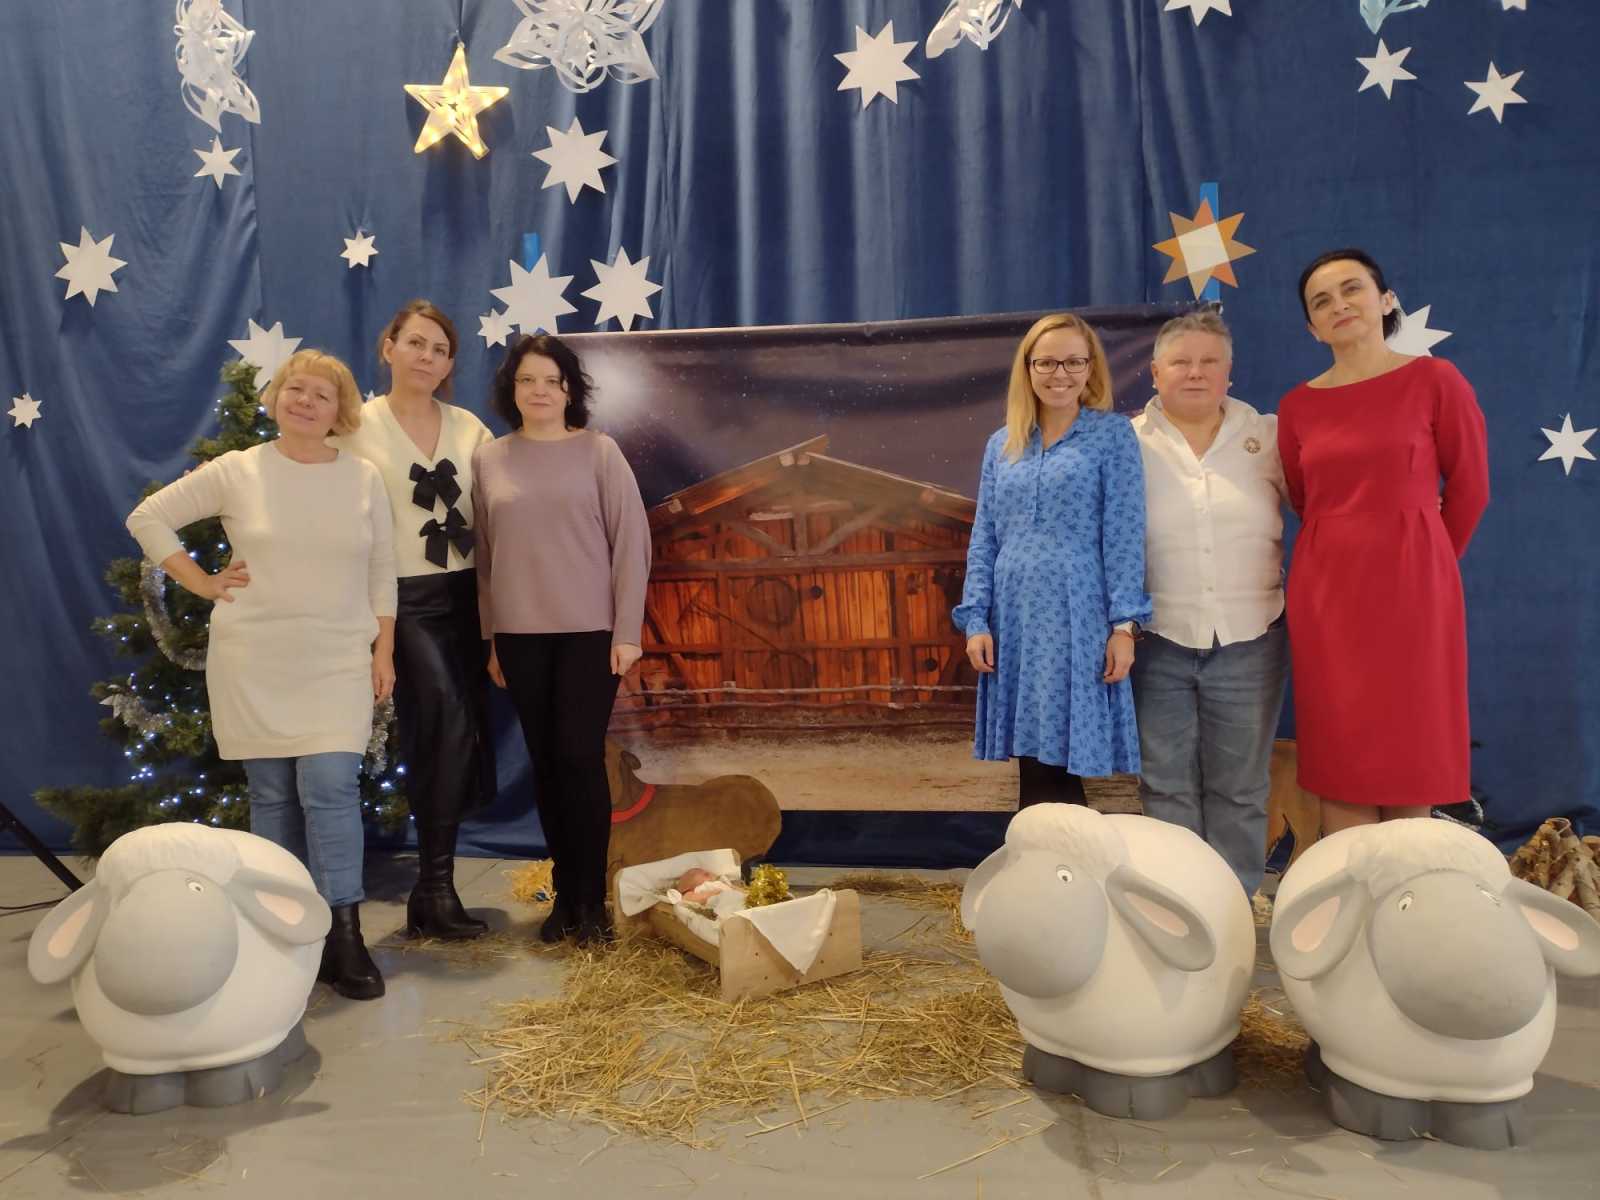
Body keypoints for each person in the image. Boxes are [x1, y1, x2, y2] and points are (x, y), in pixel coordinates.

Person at [127, 350, 395, 1000]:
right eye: (295, 389)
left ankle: (345, 937)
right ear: (276, 397)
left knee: (330, 787)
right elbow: (146, 517)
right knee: (272, 796)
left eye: (321, 395)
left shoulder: (362, 478)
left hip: (337, 658)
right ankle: (288, 937)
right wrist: (201, 582)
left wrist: (383, 650)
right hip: (255, 658)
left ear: (339, 412)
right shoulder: (238, 470)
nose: (306, 401)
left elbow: (382, 571)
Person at [1280, 249, 1489, 836]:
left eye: (1352, 289)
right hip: (1327, 595)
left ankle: (1406, 888)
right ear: (1311, 327)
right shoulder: (1296, 406)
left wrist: (1427, 562)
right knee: (1340, 747)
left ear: (1385, 299)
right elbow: (1304, 498)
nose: (1339, 305)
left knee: (1410, 748)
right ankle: (1348, 889)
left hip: (1415, 587)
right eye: (1322, 301)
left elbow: (1471, 488)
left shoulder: (1435, 380)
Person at [472, 334, 651, 945]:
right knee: (546, 766)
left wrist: (627, 632)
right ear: (512, 389)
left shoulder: (600, 452)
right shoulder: (489, 460)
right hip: (519, 637)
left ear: (570, 389)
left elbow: (632, 544)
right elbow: (486, 561)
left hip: (590, 634)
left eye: (552, 380)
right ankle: (564, 898)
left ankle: (592, 900)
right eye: (527, 380)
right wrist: (492, 640)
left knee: (579, 759)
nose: (540, 390)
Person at [332, 300, 495, 941]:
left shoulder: (469, 429)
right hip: (401, 601)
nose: (426, 357)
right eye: (416, 343)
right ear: (389, 347)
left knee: (458, 734)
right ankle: (435, 888)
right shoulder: (356, 428)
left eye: (439, 349)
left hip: (468, 597)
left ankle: (434, 888)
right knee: (443, 720)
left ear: (450, 364)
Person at [952, 312, 1151, 807]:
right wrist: (976, 620)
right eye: (1046, 362)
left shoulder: (1112, 436)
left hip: (1077, 613)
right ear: (1027, 368)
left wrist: (1124, 626)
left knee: (1064, 757)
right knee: (1032, 758)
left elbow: (1124, 533)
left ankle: (1066, 851)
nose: (1060, 374)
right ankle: (1040, 850)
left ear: (1090, 368)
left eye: (1073, 362)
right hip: (1013, 615)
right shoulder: (1002, 444)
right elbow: (985, 537)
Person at [1130, 311, 1289, 897]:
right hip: (1157, 639)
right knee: (1165, 785)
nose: (1195, 372)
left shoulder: (1269, 437)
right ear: (1155, 372)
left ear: (1229, 371)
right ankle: (1180, 905)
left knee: (1241, 788)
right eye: (1181, 362)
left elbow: (1327, 506)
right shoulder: (1125, 441)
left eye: (1209, 361)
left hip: (1252, 636)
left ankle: (1233, 906)